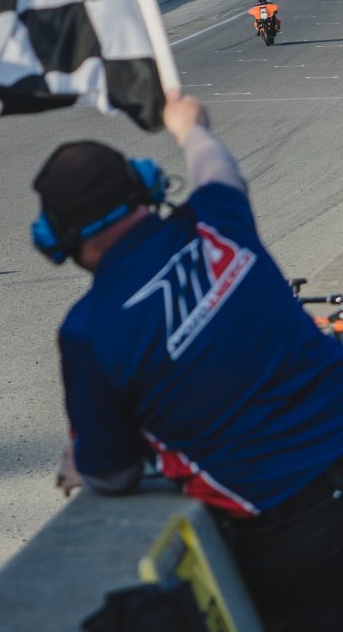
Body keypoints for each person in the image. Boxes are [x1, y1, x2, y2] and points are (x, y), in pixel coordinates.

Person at [34, 92, 343, 631]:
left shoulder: (88, 332)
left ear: (56, 240)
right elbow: (218, 169)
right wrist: (190, 126)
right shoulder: (216, 220)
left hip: (292, 530)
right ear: (145, 187)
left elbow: (112, 473)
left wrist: (83, 460)